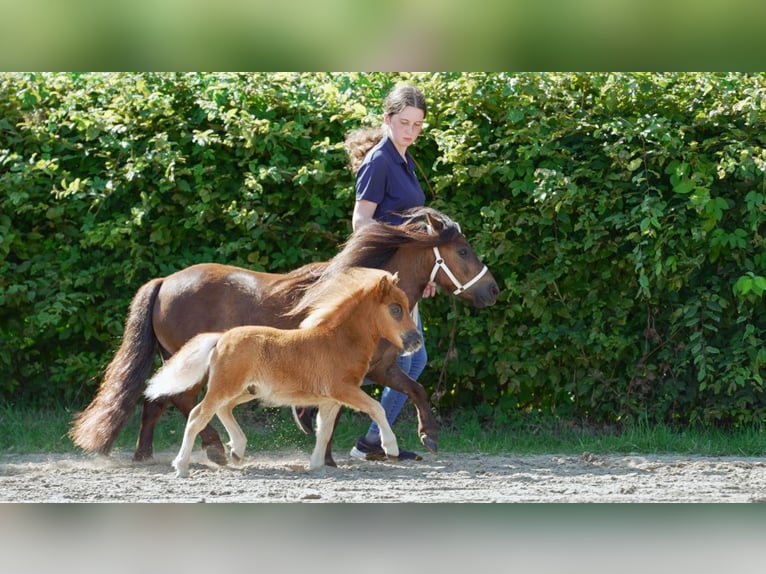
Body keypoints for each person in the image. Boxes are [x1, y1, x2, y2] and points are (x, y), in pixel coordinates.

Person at [344, 84, 435, 461]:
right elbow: (361, 219)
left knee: (415, 359)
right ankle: (363, 437)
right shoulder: (380, 160)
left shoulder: (404, 158)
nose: (410, 131)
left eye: (417, 125)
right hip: (384, 280)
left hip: (405, 279)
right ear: (387, 119)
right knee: (410, 360)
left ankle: (368, 440)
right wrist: (387, 271)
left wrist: (422, 273)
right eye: (404, 123)